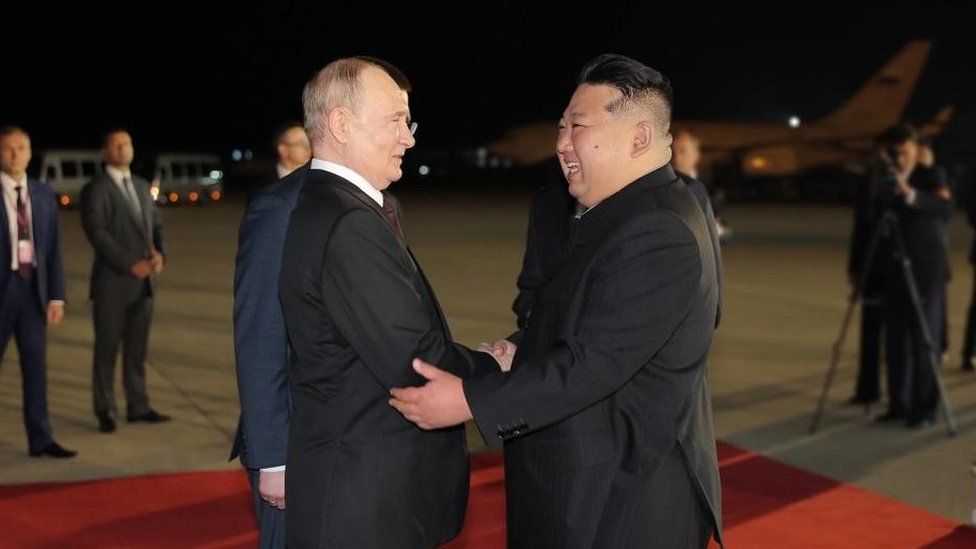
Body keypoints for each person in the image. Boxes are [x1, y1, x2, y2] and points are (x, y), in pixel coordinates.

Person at [391, 53, 723, 548]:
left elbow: (595, 363)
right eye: (561, 127)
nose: (561, 144)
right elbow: (586, 321)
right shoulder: (619, 213)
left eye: (577, 127)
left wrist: (468, 400)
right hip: (589, 487)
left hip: (618, 502)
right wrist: (522, 348)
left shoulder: (658, 230)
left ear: (639, 138)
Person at [277, 56, 506, 549]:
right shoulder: (349, 222)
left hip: (354, 489)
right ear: (340, 123)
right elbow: (414, 363)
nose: (410, 137)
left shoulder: (329, 205)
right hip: (365, 502)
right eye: (396, 121)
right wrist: (496, 365)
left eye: (410, 121)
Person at [228, 122, 311, 548]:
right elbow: (259, 332)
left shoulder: (378, 201)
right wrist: (272, 456)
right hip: (293, 432)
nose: (406, 137)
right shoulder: (273, 203)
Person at [80, 129, 169, 434]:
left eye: (127, 143)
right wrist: (131, 264)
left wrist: (160, 254)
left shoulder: (142, 186)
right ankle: (105, 409)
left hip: (145, 283)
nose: (123, 148)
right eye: (116, 144)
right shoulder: (96, 189)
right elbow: (98, 233)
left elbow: (155, 225)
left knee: (137, 350)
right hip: (112, 283)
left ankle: (138, 405)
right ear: (106, 151)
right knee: (107, 349)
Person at [0, 125, 76, 459]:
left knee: (36, 369)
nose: (15, 154)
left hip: (33, 293)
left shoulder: (43, 193)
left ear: (31, 153)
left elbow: (53, 249)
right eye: (8, 148)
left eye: (21, 147)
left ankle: (41, 438)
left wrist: (56, 296)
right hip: (3, 290)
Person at [873, 123, 951, 429]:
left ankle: (925, 408)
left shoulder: (931, 175)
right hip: (895, 268)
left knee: (924, 341)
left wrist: (912, 195)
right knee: (895, 341)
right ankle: (898, 403)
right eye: (893, 152)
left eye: (903, 151)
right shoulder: (886, 178)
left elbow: (945, 208)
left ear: (916, 149)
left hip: (925, 269)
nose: (898, 158)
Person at [671, 127, 731, 241]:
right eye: (673, 152)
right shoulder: (660, 188)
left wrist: (717, 230)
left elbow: (722, 229)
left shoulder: (712, 191)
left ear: (696, 155)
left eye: (683, 151)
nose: (676, 158)